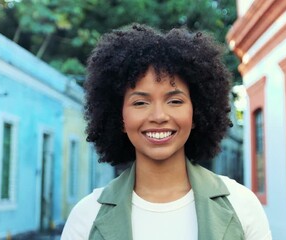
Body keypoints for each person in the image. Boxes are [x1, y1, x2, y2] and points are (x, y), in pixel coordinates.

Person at [61, 24, 272, 240]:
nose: (159, 116)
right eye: (141, 102)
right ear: (120, 118)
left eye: (175, 101)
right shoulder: (86, 218)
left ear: (196, 113)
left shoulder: (241, 206)